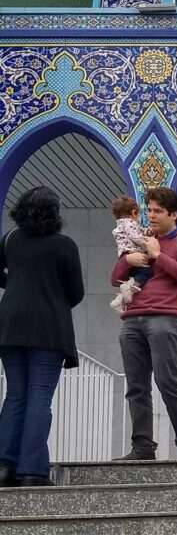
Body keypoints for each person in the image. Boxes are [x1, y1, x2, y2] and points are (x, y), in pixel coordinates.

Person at [110, 186, 177, 461]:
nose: (150, 216)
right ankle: (142, 447)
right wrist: (127, 260)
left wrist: (157, 255)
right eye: (149, 210)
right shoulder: (139, 239)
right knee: (136, 386)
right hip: (132, 319)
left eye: (157, 211)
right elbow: (115, 279)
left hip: (166, 317)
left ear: (173, 214)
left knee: (166, 380)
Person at [0, 187, 84, 486]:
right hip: (48, 329)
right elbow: (76, 292)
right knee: (39, 397)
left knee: (15, 394)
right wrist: (52, 298)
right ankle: (32, 470)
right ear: (55, 213)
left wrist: (15, 285)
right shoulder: (64, 245)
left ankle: (5, 466)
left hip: (9, 326)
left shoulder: (10, 239)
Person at [109, 196, 153, 313]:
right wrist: (146, 243)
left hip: (127, 254)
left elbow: (139, 230)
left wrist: (147, 231)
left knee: (136, 277)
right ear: (134, 213)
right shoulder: (129, 223)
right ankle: (128, 287)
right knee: (147, 272)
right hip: (133, 252)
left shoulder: (121, 224)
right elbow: (135, 236)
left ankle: (120, 300)